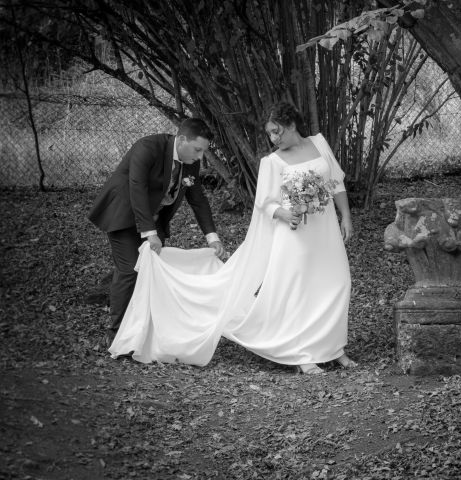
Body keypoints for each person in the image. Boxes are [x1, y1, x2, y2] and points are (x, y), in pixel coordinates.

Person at [108, 101, 356, 374]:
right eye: (270, 133)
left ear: (292, 125)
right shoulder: (271, 161)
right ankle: (301, 352)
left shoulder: (319, 144)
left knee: (336, 282)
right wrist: (284, 213)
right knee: (299, 289)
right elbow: (265, 202)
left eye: (276, 132)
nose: (273, 138)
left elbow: (335, 182)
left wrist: (345, 216)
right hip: (295, 234)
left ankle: (333, 348)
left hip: (325, 229)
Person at [88, 118, 225, 340]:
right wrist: (149, 233)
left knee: (154, 272)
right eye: (198, 150)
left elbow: (197, 199)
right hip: (123, 214)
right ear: (182, 140)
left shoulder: (190, 160)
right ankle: (118, 333)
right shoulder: (148, 147)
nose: (200, 157)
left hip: (153, 219)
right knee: (130, 269)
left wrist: (212, 238)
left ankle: (146, 328)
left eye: (203, 152)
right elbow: (137, 187)